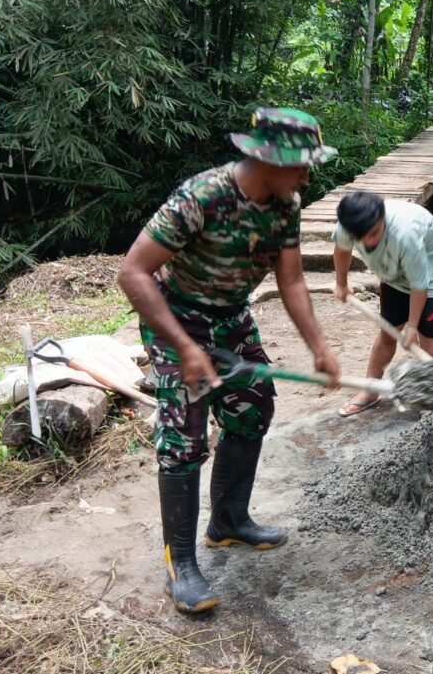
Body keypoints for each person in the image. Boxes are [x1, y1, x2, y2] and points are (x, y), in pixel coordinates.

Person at [118, 107, 342, 614]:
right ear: (266, 158)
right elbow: (132, 273)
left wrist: (319, 345)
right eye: (301, 164)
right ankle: (182, 563)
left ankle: (228, 521)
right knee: (184, 437)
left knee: (253, 409)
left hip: (230, 316)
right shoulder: (202, 197)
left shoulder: (286, 202)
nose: (308, 174)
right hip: (176, 317)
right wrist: (186, 348)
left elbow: (291, 280)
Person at [332, 191, 433, 416]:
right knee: (388, 329)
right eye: (361, 238)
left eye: (374, 233)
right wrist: (341, 283)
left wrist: (412, 325)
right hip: (394, 271)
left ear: (383, 219)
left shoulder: (406, 233)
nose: (368, 242)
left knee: (426, 331)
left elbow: (420, 285)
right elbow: (342, 249)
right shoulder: (349, 226)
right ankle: (370, 390)